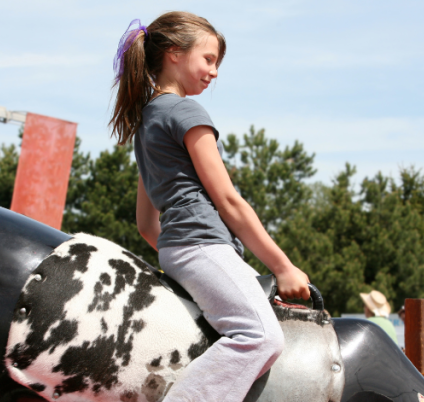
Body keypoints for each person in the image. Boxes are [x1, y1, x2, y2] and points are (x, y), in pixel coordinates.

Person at [110, 12, 311, 401]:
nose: (214, 72)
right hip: (202, 243)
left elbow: (146, 224)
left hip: (179, 248)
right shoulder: (185, 113)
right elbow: (229, 201)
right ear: (173, 54)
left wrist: (178, 256)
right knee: (261, 337)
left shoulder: (148, 121)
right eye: (208, 59)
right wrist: (282, 266)